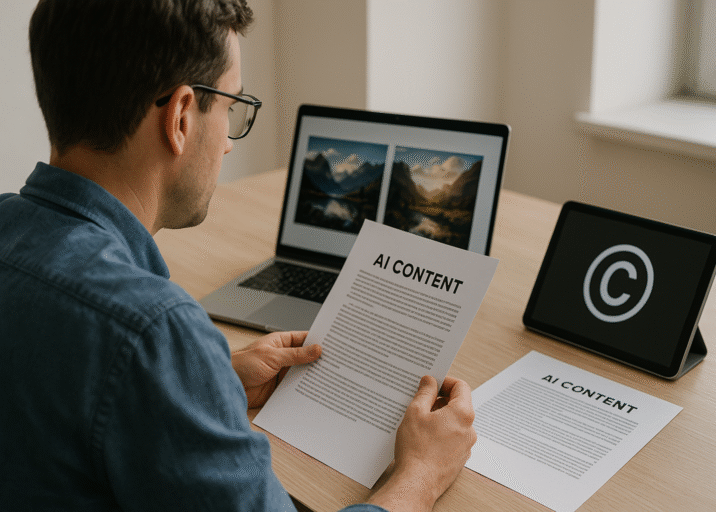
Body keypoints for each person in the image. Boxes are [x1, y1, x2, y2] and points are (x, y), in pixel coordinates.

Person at [0, 1, 477, 511]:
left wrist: (204, 384)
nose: (228, 144)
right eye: (232, 106)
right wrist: (422, 474)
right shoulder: (153, 331)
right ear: (181, 116)